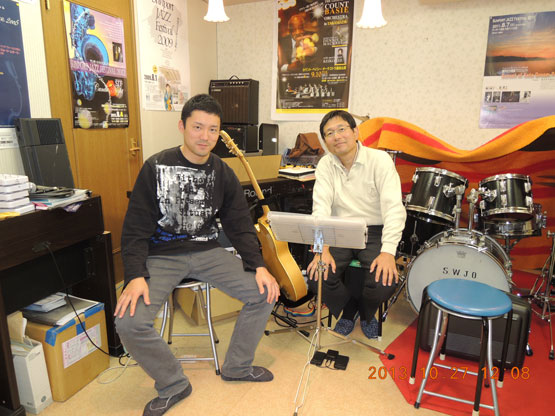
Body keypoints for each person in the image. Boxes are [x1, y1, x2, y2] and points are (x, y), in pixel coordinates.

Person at [115, 94, 280, 416]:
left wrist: (258, 266)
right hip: (161, 254)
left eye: (213, 130)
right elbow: (134, 228)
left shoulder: (223, 172)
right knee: (129, 322)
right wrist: (134, 275)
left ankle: (237, 366)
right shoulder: (156, 166)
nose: (205, 136)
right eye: (198, 127)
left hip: (207, 250)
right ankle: (173, 383)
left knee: (265, 292)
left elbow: (239, 224)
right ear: (182, 126)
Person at [306, 110, 406, 339]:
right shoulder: (325, 165)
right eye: (329, 133)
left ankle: (367, 313)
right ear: (325, 141)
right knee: (316, 276)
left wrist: (388, 252)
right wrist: (322, 248)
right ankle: (350, 311)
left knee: (384, 281)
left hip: (374, 229)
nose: (337, 136)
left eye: (341, 129)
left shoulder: (379, 160)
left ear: (355, 132)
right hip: (338, 229)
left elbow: (394, 209)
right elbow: (320, 209)